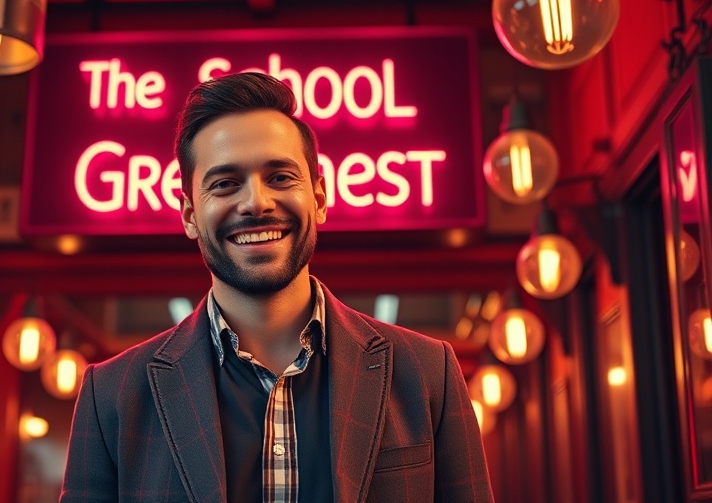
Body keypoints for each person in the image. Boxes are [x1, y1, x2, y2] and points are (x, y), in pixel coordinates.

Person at [59, 72, 494, 503]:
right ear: (189, 214)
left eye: (281, 177)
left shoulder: (427, 373)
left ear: (319, 198)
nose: (256, 202)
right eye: (225, 184)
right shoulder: (111, 396)